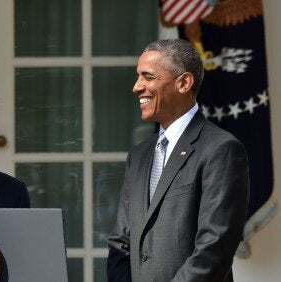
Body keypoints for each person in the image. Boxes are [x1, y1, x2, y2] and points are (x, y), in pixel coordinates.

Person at [107, 39, 249, 281]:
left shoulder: (221, 149)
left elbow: (214, 248)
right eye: (137, 76)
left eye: (148, 77)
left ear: (184, 82)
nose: (136, 86)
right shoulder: (138, 156)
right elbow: (121, 242)